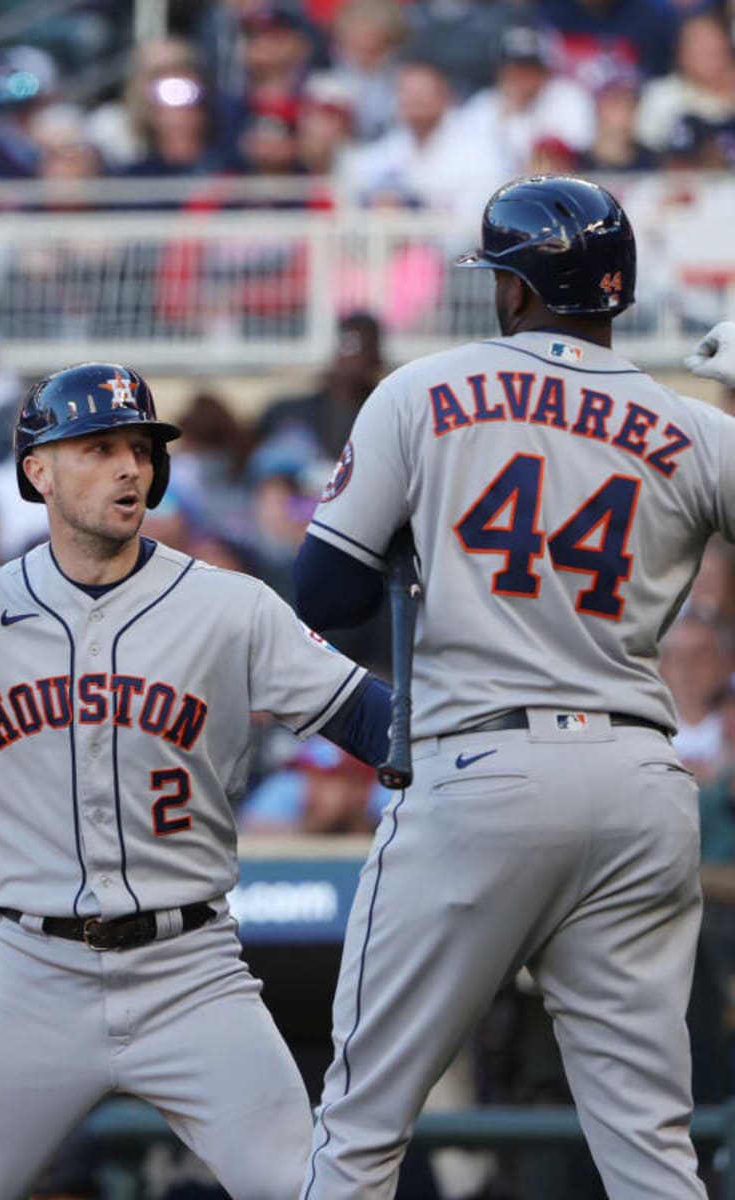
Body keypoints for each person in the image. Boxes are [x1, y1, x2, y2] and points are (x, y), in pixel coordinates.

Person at [0, 362, 391, 1200]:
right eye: (101, 447)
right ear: (38, 472)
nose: (130, 469)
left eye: (142, 449)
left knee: (308, 1189)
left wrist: (484, 742)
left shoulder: (229, 606)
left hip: (193, 969)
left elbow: (372, 721)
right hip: (30, 972)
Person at [294, 174, 712, 1198]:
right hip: (638, 777)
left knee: (359, 1126)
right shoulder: (690, 424)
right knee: (651, 1147)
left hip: (481, 766)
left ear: (516, 289)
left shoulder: (425, 388)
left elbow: (327, 592)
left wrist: (418, 536)